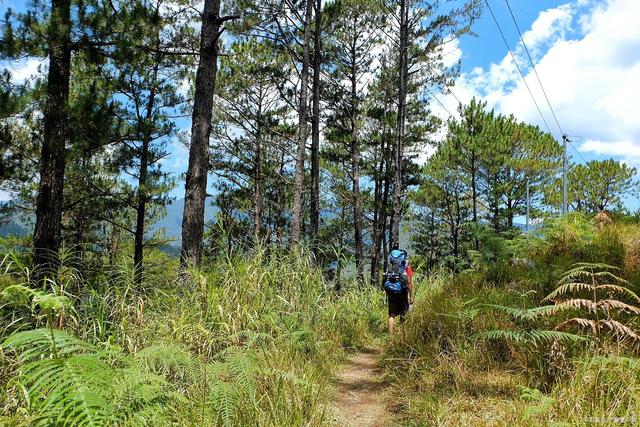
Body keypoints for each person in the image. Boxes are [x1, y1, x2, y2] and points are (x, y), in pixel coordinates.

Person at [383, 245, 413, 333]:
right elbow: (410, 283)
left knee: (391, 314)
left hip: (390, 290)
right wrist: (411, 296)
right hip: (402, 291)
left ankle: (390, 337)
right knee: (403, 313)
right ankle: (402, 336)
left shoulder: (391, 264)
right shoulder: (406, 265)